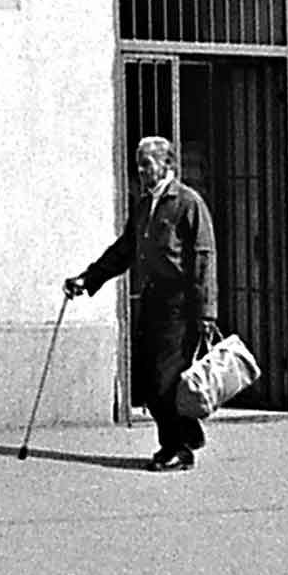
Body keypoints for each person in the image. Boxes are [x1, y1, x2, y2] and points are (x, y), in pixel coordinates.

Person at [64, 136, 219, 471]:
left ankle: (178, 447)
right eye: (139, 164)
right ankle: (183, 434)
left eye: (148, 163)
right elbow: (124, 251)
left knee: (166, 380)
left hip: (181, 303)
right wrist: (88, 279)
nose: (142, 170)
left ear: (168, 165)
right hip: (153, 301)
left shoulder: (187, 203)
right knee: (149, 379)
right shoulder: (144, 205)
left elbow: (204, 258)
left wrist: (206, 312)